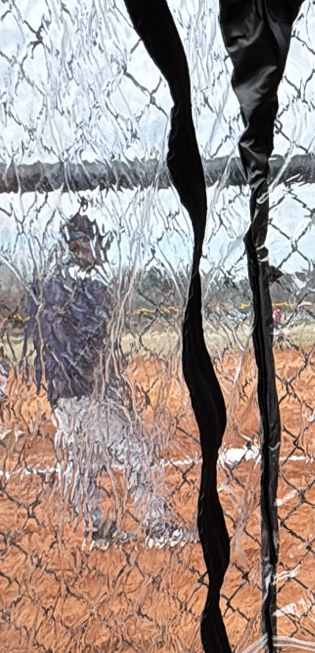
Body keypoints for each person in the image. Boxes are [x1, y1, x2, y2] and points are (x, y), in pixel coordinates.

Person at [28, 206, 188, 549]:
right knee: (133, 449)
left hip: (61, 393)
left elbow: (45, 341)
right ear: (77, 245)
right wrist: (111, 384)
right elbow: (93, 343)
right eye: (89, 244)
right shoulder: (83, 284)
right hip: (86, 390)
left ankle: (96, 529)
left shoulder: (49, 283)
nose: (95, 251)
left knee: (84, 460)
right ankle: (158, 525)